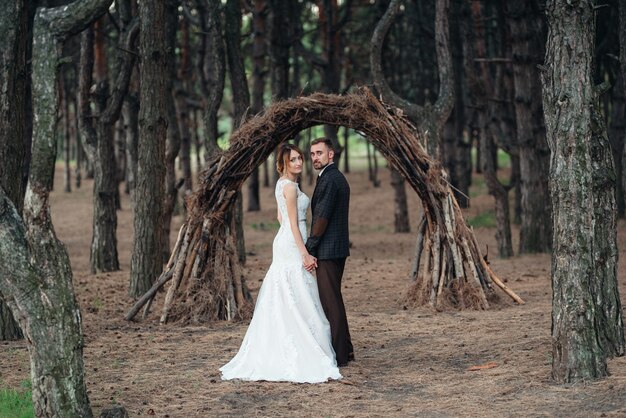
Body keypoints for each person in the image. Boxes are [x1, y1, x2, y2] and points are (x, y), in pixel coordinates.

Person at [220, 143, 341, 383]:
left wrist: (291, 234)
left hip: (285, 239)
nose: (298, 162)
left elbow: (280, 217)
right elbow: (294, 224)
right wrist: (304, 253)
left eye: (299, 158)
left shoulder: (283, 184)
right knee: (299, 290)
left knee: (292, 292)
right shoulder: (290, 188)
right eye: (293, 160)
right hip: (293, 243)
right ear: (284, 163)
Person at [304, 137, 354, 367]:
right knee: (334, 299)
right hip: (334, 249)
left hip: (328, 250)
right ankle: (347, 350)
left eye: (319, 153)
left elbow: (321, 219)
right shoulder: (331, 177)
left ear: (330, 155)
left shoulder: (331, 179)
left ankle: (340, 356)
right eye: (312, 154)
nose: (315, 157)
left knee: (330, 302)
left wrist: (309, 248)